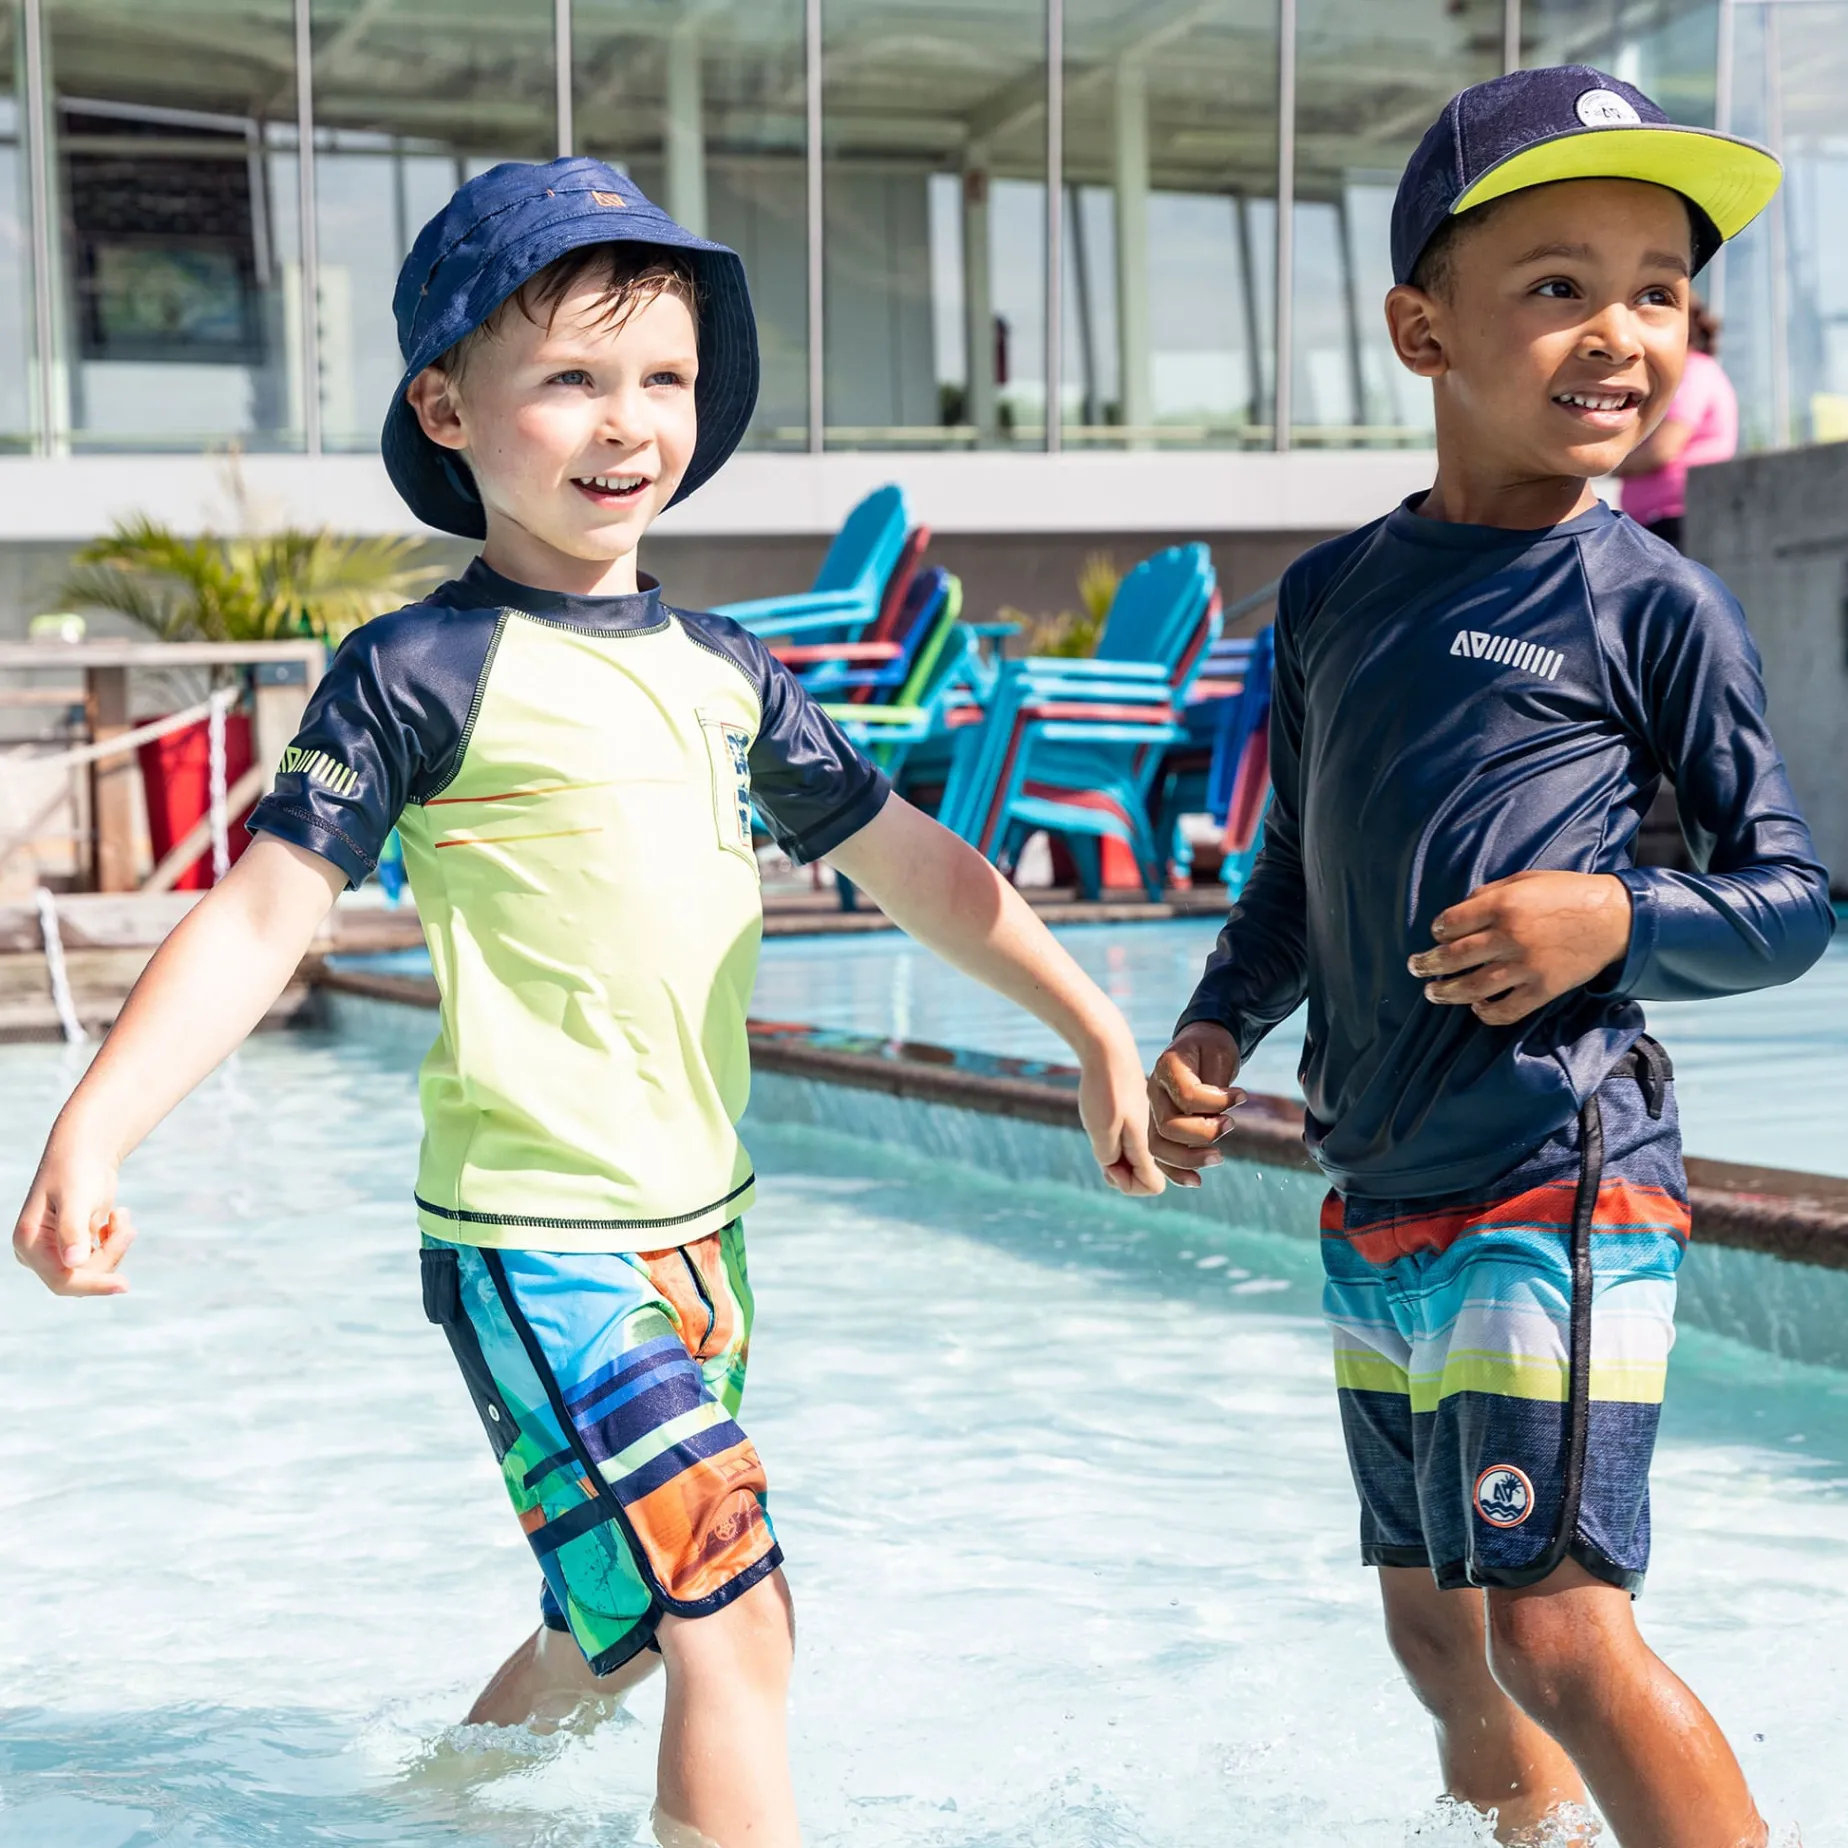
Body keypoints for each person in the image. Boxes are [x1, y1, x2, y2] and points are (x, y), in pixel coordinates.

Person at [11, 159, 1165, 1848]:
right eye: (569, 378)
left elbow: (914, 863)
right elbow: (261, 918)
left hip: (702, 1238)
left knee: (612, 1631)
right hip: (534, 1236)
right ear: (447, 408)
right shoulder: (417, 673)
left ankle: (434, 1814)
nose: (628, 423)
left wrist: (1095, 1025)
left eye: (664, 378)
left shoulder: (727, 671)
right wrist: (93, 1130)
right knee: (736, 1610)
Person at [1146, 68, 1832, 1848]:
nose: (1620, 332)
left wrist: (1617, 919)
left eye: (1657, 290)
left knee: (1554, 1626)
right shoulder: (1329, 597)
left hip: (1558, 1165)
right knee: (1437, 1635)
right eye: (1557, 285)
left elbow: (1792, 898)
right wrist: (1217, 1025)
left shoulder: (1650, 603)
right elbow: (1298, 872)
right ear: (1421, 329)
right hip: (1379, 1179)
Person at [1618, 296, 1738, 549]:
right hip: (1661, 519)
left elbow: (1661, 449)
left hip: (1675, 518)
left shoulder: (1693, 371)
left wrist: (1604, 464)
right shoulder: (1694, 370)